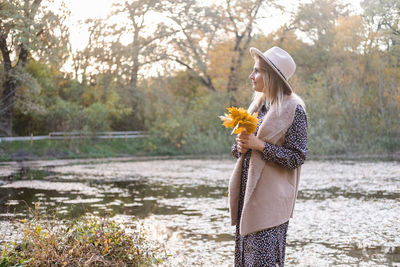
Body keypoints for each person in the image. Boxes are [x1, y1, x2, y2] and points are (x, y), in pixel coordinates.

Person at [229, 46, 308, 266]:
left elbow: (297, 157)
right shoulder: (257, 106)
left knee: (263, 262)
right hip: (248, 198)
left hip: (271, 202)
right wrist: (241, 146)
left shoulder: (294, 109)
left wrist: (260, 145)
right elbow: (239, 152)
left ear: (271, 76)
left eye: (256, 71)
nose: (250, 76)